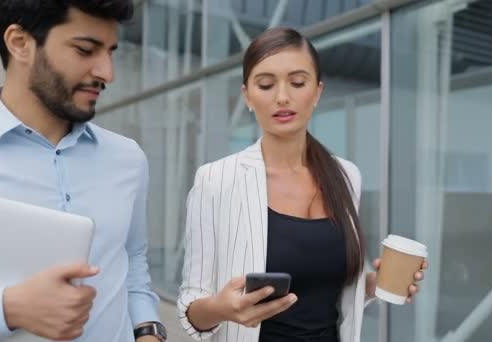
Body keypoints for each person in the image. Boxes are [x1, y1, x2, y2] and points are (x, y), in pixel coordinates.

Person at [178, 27, 428, 342]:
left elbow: (332, 288)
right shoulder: (215, 180)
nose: (282, 97)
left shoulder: (346, 176)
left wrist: (378, 282)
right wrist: (221, 308)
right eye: (266, 84)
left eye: (297, 82)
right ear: (248, 96)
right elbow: (191, 307)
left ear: (317, 92)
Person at [0, 1, 167, 341]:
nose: (107, 73)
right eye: (86, 50)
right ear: (20, 43)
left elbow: (132, 263)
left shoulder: (128, 160)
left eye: (110, 52)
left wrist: (148, 331)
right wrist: (8, 308)